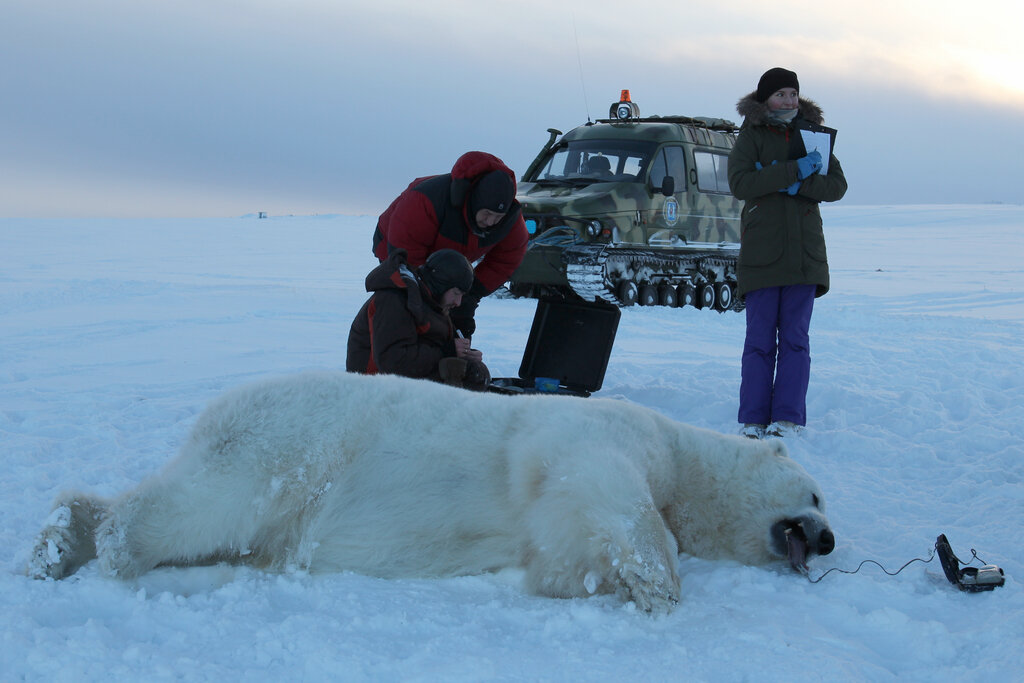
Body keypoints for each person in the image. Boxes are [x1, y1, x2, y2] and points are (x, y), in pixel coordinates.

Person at [727, 67, 848, 439]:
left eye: (793, 94)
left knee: (795, 339)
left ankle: (787, 418)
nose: (789, 101)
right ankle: (753, 420)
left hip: (804, 255)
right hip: (763, 253)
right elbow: (741, 183)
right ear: (766, 99)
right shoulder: (751, 136)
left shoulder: (814, 137)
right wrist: (792, 171)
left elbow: (837, 186)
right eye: (781, 94)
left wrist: (800, 183)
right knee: (760, 340)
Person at [372, 151, 529, 338]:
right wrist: (427, 293)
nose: (491, 221)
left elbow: (505, 261)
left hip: (451, 257)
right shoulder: (426, 200)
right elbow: (406, 255)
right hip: (394, 245)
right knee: (408, 305)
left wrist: (470, 293)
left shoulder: (511, 222)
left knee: (454, 310)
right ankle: (399, 349)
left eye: (498, 217)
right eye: (487, 213)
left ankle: (446, 353)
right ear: (474, 202)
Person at [346, 248, 490, 390]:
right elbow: (393, 361)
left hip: (401, 384)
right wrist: (449, 351)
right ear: (440, 284)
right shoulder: (394, 300)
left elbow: (437, 343)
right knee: (466, 377)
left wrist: (465, 354)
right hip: (373, 389)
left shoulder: (430, 301)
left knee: (474, 373)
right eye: (456, 293)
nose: (458, 302)